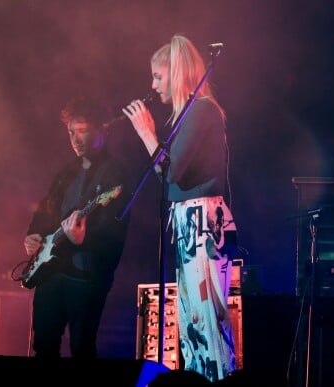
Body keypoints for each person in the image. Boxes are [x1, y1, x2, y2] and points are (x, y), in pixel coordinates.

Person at [123, 34, 239, 382]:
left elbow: (170, 171)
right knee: (192, 326)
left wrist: (147, 133)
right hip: (191, 223)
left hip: (203, 224)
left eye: (158, 76)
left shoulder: (201, 110)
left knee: (207, 321)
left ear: (177, 73)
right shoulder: (186, 116)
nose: (153, 85)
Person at [22, 95, 131, 358]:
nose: (75, 139)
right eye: (71, 132)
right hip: (51, 271)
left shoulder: (115, 174)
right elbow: (46, 209)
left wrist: (84, 238)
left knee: (81, 349)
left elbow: (115, 229)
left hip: (87, 276)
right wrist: (33, 236)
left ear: (101, 130)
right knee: (43, 347)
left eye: (82, 131)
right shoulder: (65, 172)